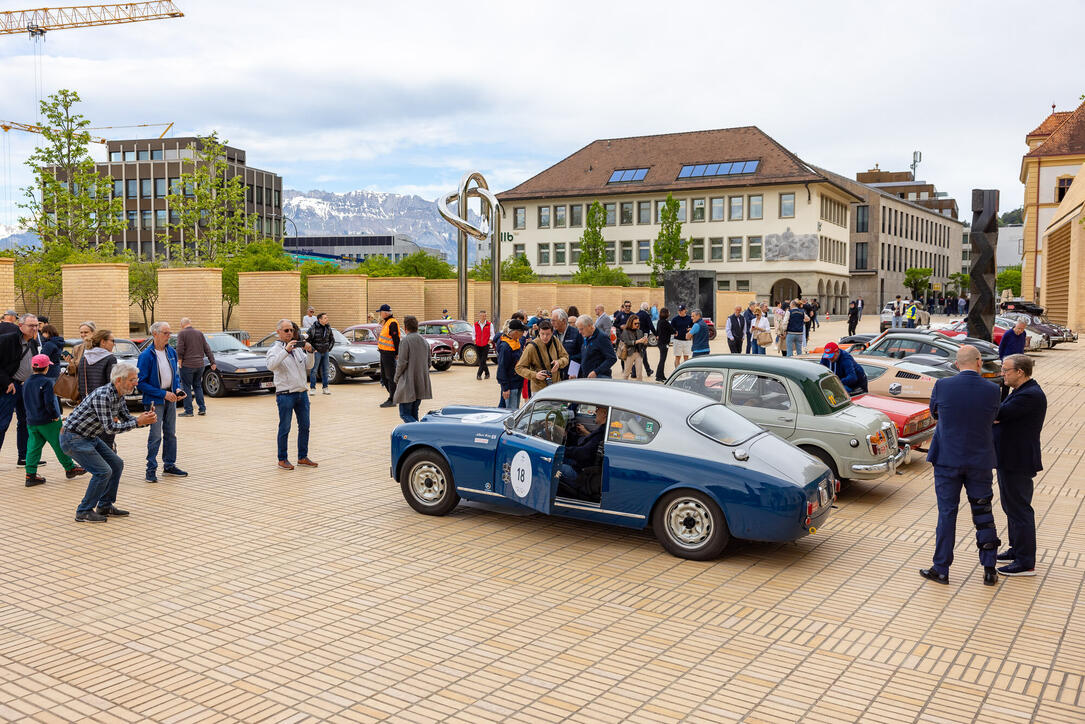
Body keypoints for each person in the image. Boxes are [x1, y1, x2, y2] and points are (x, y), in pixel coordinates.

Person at [921, 345, 1002, 587]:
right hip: (980, 461)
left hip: (947, 460)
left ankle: (942, 569)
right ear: (979, 362)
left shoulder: (943, 386)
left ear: (957, 364)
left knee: (947, 514)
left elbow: (935, 413)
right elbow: (994, 417)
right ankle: (989, 569)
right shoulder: (993, 389)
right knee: (984, 513)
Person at [61, 363, 157, 522]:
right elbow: (110, 428)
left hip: (88, 437)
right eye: (132, 379)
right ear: (119, 380)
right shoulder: (103, 395)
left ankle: (105, 506)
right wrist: (138, 422)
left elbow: (128, 419)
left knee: (116, 464)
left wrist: (145, 419)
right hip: (73, 438)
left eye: (136, 379)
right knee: (103, 471)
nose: (136, 383)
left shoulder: (118, 395)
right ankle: (83, 511)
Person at [993, 354, 1046, 577]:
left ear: (1020, 372)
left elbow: (999, 414)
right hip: (1009, 458)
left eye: (1006, 370)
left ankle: (1025, 562)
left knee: (1020, 510)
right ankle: (1017, 549)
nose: (1002, 374)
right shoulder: (1020, 391)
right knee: (1010, 507)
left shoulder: (1030, 395)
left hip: (1018, 460)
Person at [22, 354, 86, 487]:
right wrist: (55, 415)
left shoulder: (26, 381)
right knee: (60, 444)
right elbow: (49, 402)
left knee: (33, 447)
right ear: (46, 368)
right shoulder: (47, 382)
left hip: (32, 421)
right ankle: (70, 468)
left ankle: (30, 475)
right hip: (48, 421)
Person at [137, 321, 187, 483]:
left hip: (170, 399)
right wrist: (162, 394)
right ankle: (150, 469)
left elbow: (176, 376)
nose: (169, 336)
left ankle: (169, 465)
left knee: (170, 433)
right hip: (155, 401)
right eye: (165, 333)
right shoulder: (146, 356)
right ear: (155, 334)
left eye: (170, 333)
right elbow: (141, 383)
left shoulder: (171, 352)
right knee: (155, 435)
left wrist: (177, 389)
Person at [266, 319, 316, 470]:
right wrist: (285, 351)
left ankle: (302, 457)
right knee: (285, 427)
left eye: (291, 330)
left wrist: (310, 352)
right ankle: (282, 459)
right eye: (286, 330)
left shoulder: (297, 347)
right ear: (278, 332)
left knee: (305, 426)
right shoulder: (275, 349)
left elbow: (309, 365)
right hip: (286, 395)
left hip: (301, 393)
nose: (290, 333)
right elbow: (271, 365)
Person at [0, 314, 41, 466]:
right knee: (2, 424)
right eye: (31, 326)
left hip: (27, 387)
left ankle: (23, 457)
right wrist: (7, 382)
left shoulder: (33, 343)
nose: (35, 328)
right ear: (20, 326)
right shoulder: (8, 340)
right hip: (10, 388)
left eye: (36, 325)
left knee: (26, 422)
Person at [78, 330, 120, 451]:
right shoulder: (110, 359)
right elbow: (112, 386)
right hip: (105, 406)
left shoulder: (85, 357)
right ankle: (108, 467)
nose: (114, 344)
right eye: (112, 341)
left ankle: (97, 467)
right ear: (103, 342)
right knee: (107, 442)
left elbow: (80, 383)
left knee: (93, 439)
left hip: (87, 405)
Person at [555, 405, 608, 500]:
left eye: (597, 410)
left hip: (581, 473)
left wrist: (558, 449)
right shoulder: (602, 430)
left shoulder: (601, 433)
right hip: (582, 466)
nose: (595, 412)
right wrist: (567, 434)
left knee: (550, 464)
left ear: (604, 414)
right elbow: (585, 444)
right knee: (560, 459)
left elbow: (582, 453)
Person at [393, 316, 432, 423]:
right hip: (420, 384)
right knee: (414, 412)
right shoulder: (424, 341)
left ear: (405, 327)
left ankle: (419, 431)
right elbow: (429, 363)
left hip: (408, 384)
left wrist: (396, 378)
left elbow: (401, 363)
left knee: (404, 414)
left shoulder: (405, 341)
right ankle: (417, 434)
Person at [516, 319, 568, 394]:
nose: (545, 337)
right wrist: (535, 375)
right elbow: (519, 368)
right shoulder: (531, 347)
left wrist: (559, 363)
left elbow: (566, 357)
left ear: (552, 333)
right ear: (539, 332)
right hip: (539, 389)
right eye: (542, 334)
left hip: (556, 386)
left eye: (548, 334)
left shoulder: (555, 341)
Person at [176, 317, 216, 416]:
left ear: (182, 324)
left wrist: (179, 361)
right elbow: (207, 348)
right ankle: (202, 409)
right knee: (198, 386)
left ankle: (189, 411)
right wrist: (212, 362)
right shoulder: (199, 333)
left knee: (186, 387)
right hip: (200, 365)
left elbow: (180, 348)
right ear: (190, 323)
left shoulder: (182, 333)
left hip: (187, 365)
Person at [496, 319, 525, 410]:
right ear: (516, 332)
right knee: (511, 412)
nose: (523, 333)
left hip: (517, 382)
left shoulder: (516, 342)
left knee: (515, 409)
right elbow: (502, 368)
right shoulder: (506, 346)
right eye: (522, 331)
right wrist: (505, 388)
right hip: (511, 384)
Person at [376, 304, 400, 408]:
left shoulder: (392, 322)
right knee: (384, 377)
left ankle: (393, 399)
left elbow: (396, 339)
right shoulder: (386, 322)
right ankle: (393, 396)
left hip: (389, 353)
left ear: (385, 313)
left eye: (380, 312)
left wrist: (397, 353)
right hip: (383, 353)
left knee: (390, 377)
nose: (380, 315)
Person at [577, 314, 616, 379]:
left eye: (581, 329)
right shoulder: (586, 337)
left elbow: (612, 358)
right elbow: (584, 357)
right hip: (587, 378)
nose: (579, 332)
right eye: (579, 329)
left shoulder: (602, 338)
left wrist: (596, 372)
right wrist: (574, 373)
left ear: (589, 326)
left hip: (600, 379)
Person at [306, 312, 334, 395]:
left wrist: (328, 349)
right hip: (316, 353)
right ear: (320, 319)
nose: (327, 319)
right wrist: (313, 349)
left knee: (326, 370)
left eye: (327, 317)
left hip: (325, 352)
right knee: (314, 370)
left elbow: (332, 340)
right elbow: (307, 340)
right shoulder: (312, 328)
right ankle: (312, 388)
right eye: (325, 318)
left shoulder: (328, 328)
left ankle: (325, 388)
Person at [551, 309, 581, 380]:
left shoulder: (576, 333)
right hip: (556, 373)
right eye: (551, 320)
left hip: (571, 373)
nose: (552, 323)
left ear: (564, 321)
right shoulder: (552, 334)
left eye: (554, 321)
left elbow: (582, 354)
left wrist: (567, 360)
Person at [618, 315, 649, 380]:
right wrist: (638, 341)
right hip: (629, 353)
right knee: (626, 374)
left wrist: (645, 343)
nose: (637, 325)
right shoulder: (626, 331)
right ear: (630, 323)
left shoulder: (640, 331)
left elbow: (643, 346)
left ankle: (639, 388)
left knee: (639, 374)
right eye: (635, 323)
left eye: (638, 323)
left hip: (639, 354)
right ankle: (623, 387)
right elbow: (627, 342)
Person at [635, 302, 656, 377]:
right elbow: (651, 326)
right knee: (642, 353)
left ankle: (647, 370)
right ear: (646, 308)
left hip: (636, 336)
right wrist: (656, 334)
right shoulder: (646, 315)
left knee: (638, 353)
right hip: (644, 336)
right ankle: (647, 370)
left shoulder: (636, 314)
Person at [654, 307, 673, 382]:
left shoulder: (659, 321)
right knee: (662, 360)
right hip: (664, 343)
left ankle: (661, 375)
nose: (669, 313)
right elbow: (671, 330)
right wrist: (675, 332)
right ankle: (659, 376)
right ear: (666, 314)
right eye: (668, 312)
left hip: (660, 343)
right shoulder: (665, 322)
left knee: (662, 360)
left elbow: (657, 332)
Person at [474, 310, 493, 380]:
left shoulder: (489, 324)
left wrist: (489, 342)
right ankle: (487, 373)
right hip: (478, 345)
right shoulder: (475, 324)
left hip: (486, 345)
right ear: (479, 316)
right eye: (482, 316)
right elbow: (473, 334)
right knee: (481, 360)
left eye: (485, 316)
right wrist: (474, 341)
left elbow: (492, 334)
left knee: (483, 360)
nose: (484, 317)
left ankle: (478, 375)